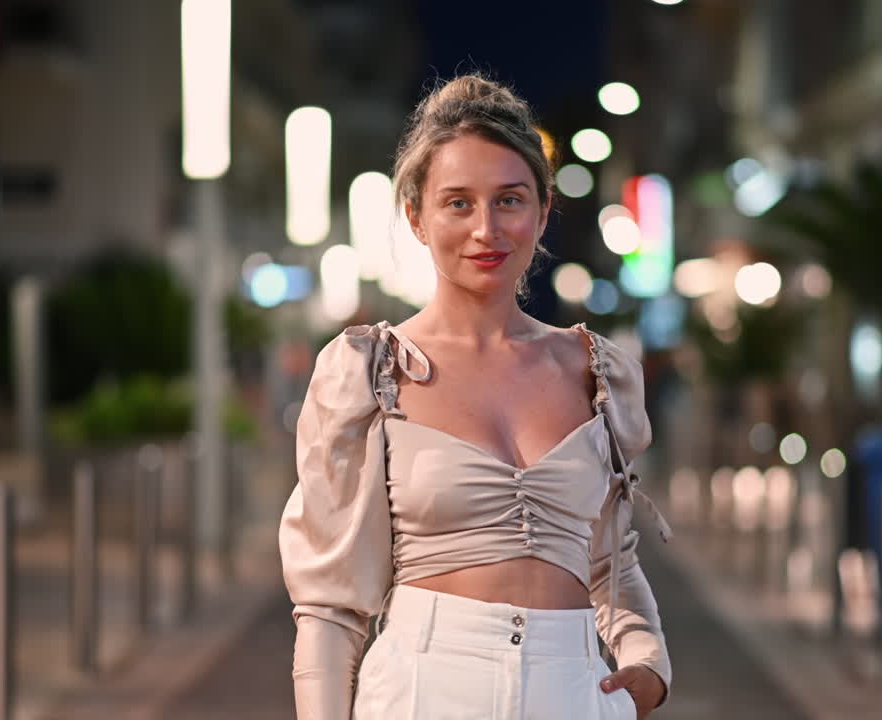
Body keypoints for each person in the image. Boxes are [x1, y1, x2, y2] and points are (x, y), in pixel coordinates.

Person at [279, 75, 672, 719]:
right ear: (417, 216)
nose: (485, 229)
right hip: (423, 688)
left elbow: (611, 558)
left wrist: (649, 662)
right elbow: (330, 605)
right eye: (457, 203)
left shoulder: (597, 371)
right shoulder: (368, 371)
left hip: (574, 690)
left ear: (543, 211)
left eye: (509, 200)